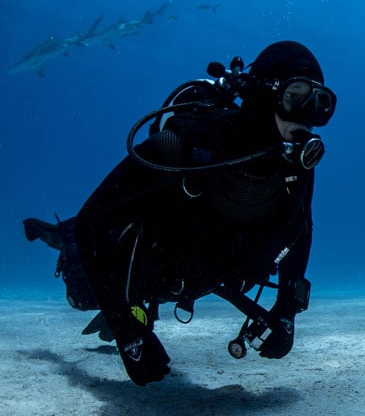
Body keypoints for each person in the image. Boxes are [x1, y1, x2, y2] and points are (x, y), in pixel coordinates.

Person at [24, 40, 336, 386]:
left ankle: (131, 304)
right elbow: (92, 221)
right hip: (137, 262)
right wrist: (126, 327)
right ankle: (54, 235)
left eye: (321, 103)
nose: (309, 116)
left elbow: (302, 229)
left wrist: (286, 311)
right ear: (264, 94)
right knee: (82, 291)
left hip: (202, 273)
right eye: (296, 95)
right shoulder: (183, 145)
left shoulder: (296, 166)